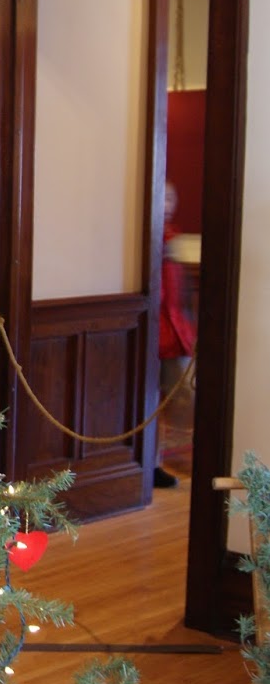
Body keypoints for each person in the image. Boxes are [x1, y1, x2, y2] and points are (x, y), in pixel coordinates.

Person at [155, 182, 197, 488]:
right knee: (152, 402)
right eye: (163, 197)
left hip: (173, 329)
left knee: (177, 398)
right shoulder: (148, 238)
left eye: (171, 198)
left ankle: (158, 460)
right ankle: (153, 463)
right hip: (155, 331)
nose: (168, 204)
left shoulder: (170, 237)